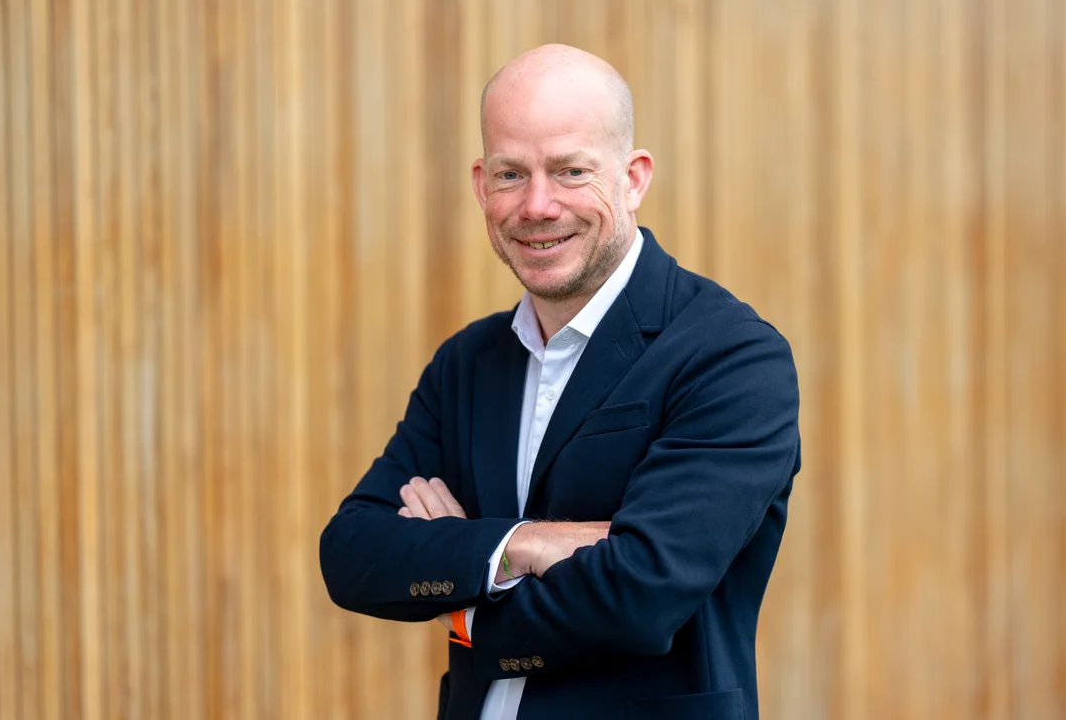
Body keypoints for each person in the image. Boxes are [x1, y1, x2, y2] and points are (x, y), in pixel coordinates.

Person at [319, 44, 801, 720]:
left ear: (633, 179)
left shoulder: (731, 356)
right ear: (481, 185)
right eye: (511, 174)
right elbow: (353, 554)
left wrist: (464, 603)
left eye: (571, 170)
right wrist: (521, 544)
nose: (537, 205)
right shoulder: (467, 363)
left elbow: (639, 599)